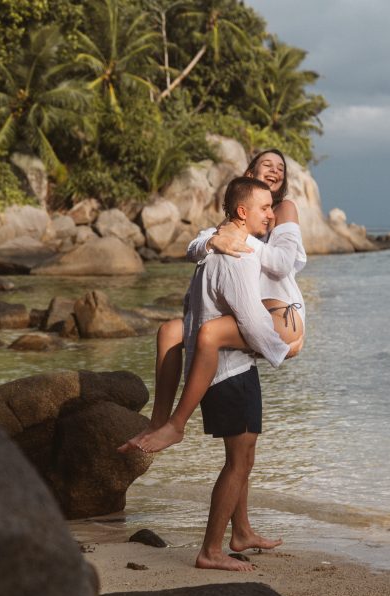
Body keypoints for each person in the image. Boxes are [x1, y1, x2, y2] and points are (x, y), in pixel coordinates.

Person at [119, 149, 306, 455]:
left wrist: (240, 239)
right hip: (242, 312)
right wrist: (213, 240)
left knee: (211, 334)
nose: (276, 171)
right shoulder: (236, 220)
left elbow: (284, 262)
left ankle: (178, 424)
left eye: (281, 168)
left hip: (278, 311)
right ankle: (158, 422)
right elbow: (195, 247)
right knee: (169, 331)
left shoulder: (282, 209)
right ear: (249, 175)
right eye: (267, 165)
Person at [173, 176, 296, 571]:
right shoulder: (237, 253)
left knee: (242, 457)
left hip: (222, 370)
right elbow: (253, 321)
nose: (271, 215)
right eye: (265, 208)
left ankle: (240, 533)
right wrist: (284, 350)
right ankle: (210, 550)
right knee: (238, 464)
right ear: (243, 211)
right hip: (231, 372)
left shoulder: (219, 247)